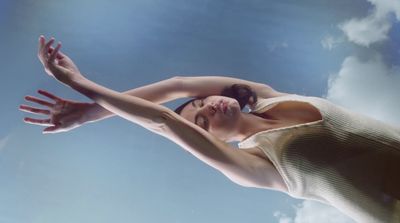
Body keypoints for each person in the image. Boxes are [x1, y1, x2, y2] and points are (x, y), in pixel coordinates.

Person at [19, 36, 399, 223]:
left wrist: (91, 112)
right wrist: (83, 85)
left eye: (201, 105)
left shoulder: (268, 97)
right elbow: (164, 120)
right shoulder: (256, 166)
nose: (207, 108)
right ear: (212, 142)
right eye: (203, 123)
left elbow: (177, 86)